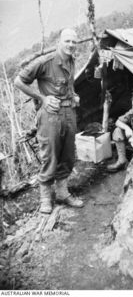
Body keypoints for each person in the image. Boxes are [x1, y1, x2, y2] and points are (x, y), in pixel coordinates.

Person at [14, 28, 84, 214]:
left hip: (69, 113)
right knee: (49, 154)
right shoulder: (45, 62)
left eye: (74, 42)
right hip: (50, 116)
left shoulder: (71, 60)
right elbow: (19, 81)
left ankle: (62, 193)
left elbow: (67, 84)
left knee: (68, 154)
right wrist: (42, 98)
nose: (71, 45)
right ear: (59, 42)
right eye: (67, 41)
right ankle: (46, 198)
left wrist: (74, 94)